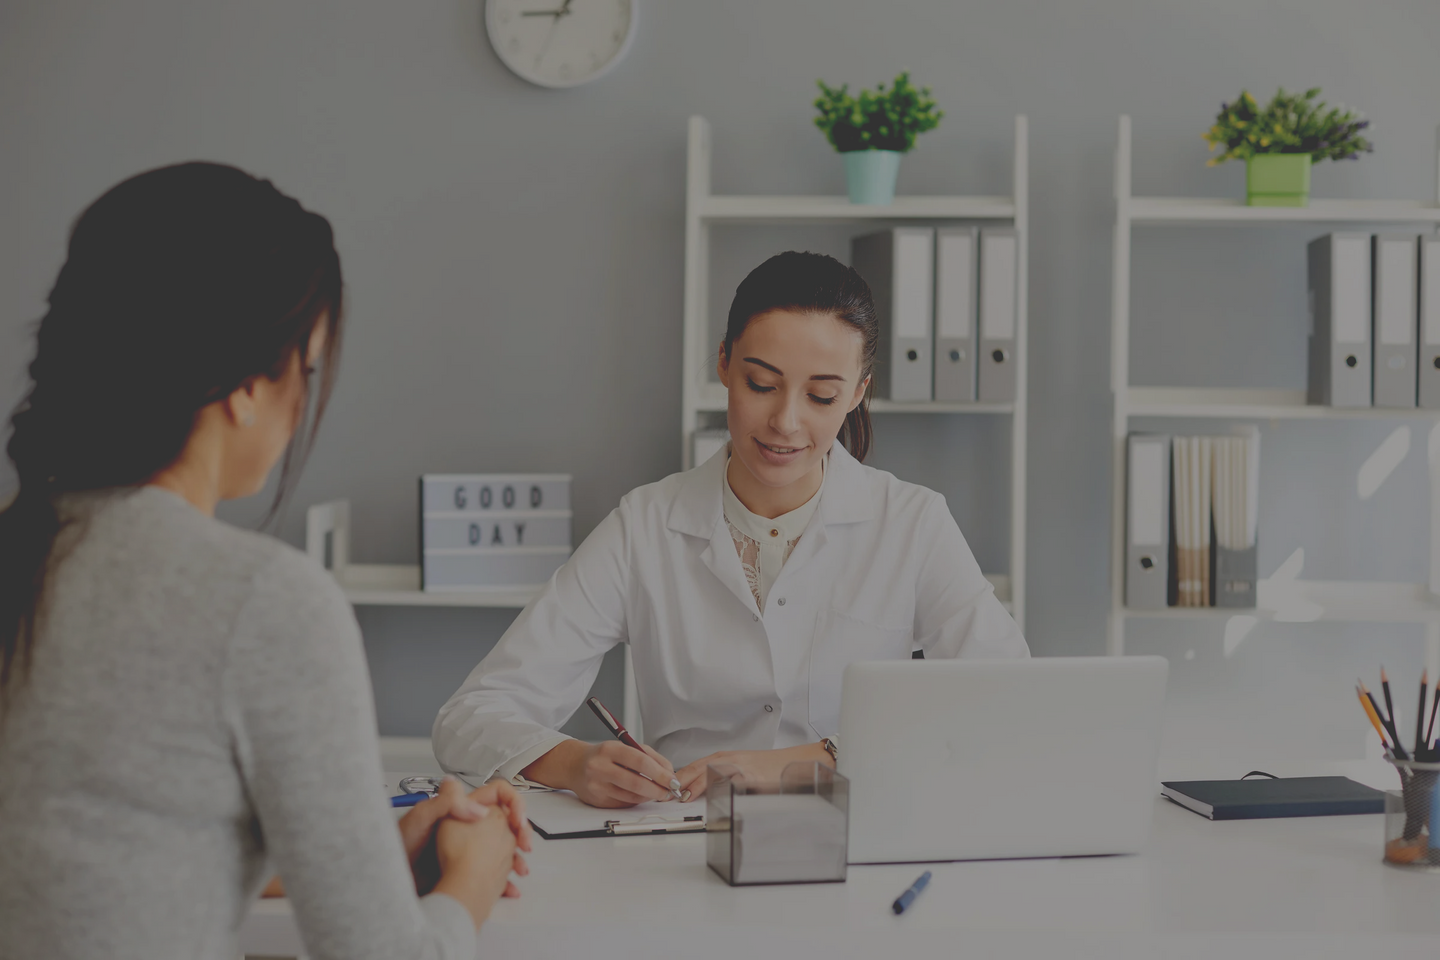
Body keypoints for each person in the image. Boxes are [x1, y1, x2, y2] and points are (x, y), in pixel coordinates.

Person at [0, 162, 530, 960]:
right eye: (305, 369)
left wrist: (371, 851)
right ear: (248, 384)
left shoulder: (24, 553)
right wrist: (474, 880)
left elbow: (108, 861)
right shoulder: (258, 601)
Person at [433, 250, 1028, 808]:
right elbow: (471, 716)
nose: (786, 422)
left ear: (858, 394)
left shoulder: (912, 523)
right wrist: (573, 763)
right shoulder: (644, 526)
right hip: (681, 845)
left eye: (822, 396)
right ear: (724, 362)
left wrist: (810, 760)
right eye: (761, 385)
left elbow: (1009, 699)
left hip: (858, 839)